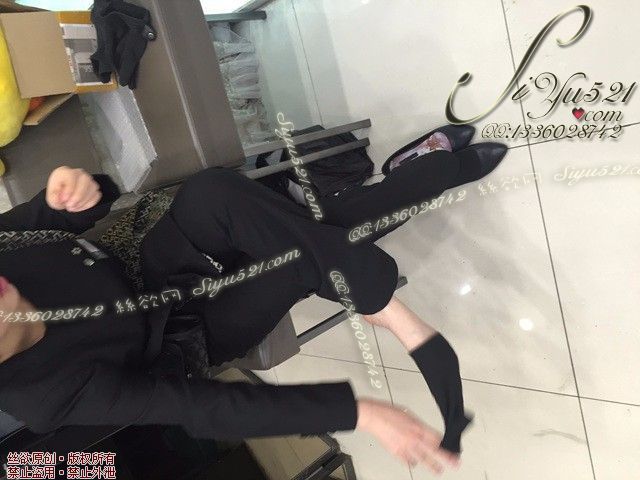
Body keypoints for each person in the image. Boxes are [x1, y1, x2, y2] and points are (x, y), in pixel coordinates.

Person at [0, 125, 506, 474]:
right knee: (300, 252)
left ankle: (416, 203)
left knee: (212, 193)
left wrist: (73, 195)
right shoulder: (48, 397)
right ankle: (426, 176)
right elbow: (205, 409)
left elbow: (65, 214)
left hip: (145, 267)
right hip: (186, 336)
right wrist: (360, 413)